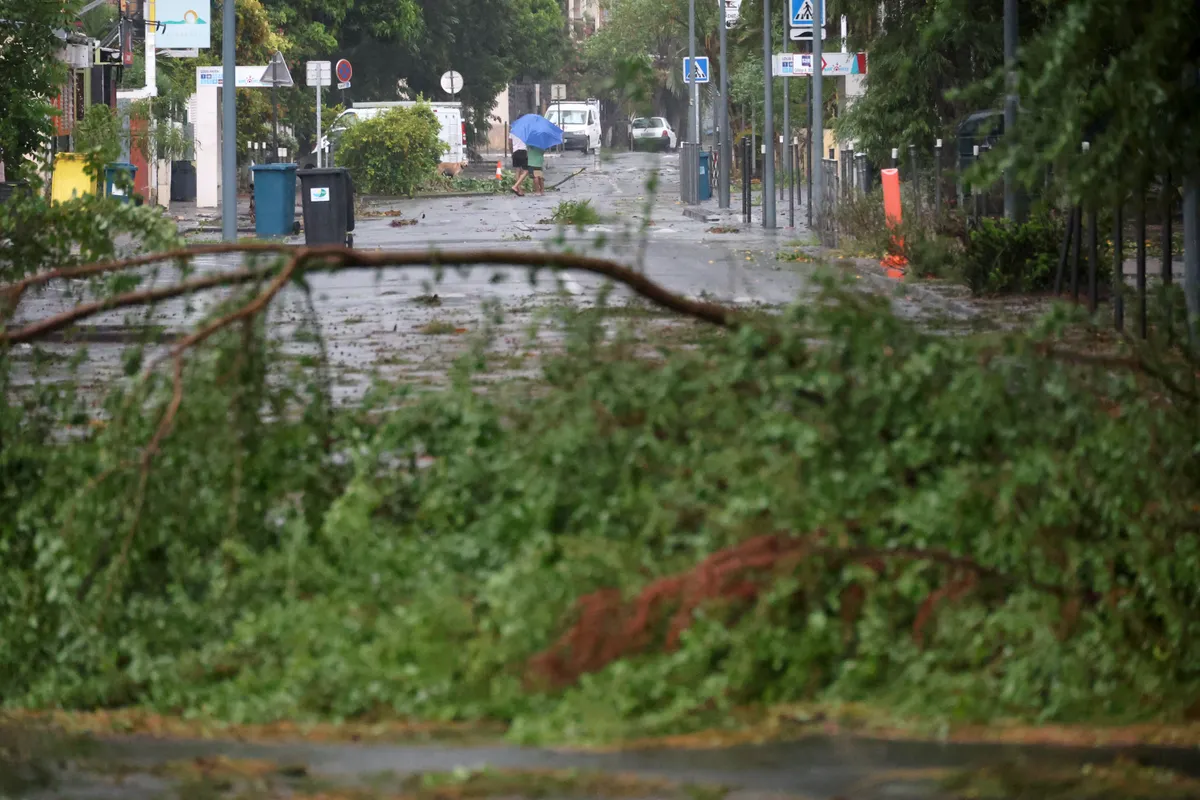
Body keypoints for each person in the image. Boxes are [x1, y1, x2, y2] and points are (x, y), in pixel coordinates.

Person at [509, 132, 528, 196]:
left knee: (518, 170)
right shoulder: (525, 132)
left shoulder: (512, 132)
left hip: (515, 152)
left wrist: (512, 152)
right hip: (523, 151)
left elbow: (510, 143)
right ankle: (515, 186)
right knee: (526, 171)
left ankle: (519, 190)